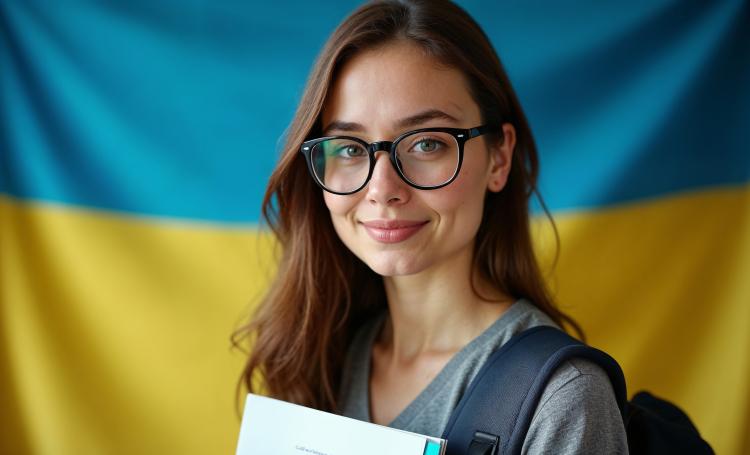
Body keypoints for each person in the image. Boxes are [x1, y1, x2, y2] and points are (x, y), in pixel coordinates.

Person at [234, 0, 627, 453]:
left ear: (498, 158)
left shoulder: (562, 397)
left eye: (426, 143)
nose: (382, 188)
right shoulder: (322, 359)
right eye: (348, 148)